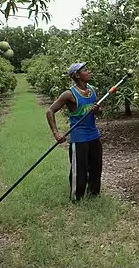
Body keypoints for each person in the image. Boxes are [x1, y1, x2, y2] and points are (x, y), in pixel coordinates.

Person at [46, 62, 103, 202]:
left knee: (96, 167)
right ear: (77, 75)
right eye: (85, 70)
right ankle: (76, 198)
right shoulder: (69, 94)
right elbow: (50, 111)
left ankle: (94, 195)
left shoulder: (92, 90)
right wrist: (56, 133)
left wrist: (98, 110)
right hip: (79, 138)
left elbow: (99, 114)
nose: (89, 72)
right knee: (79, 170)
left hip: (94, 135)